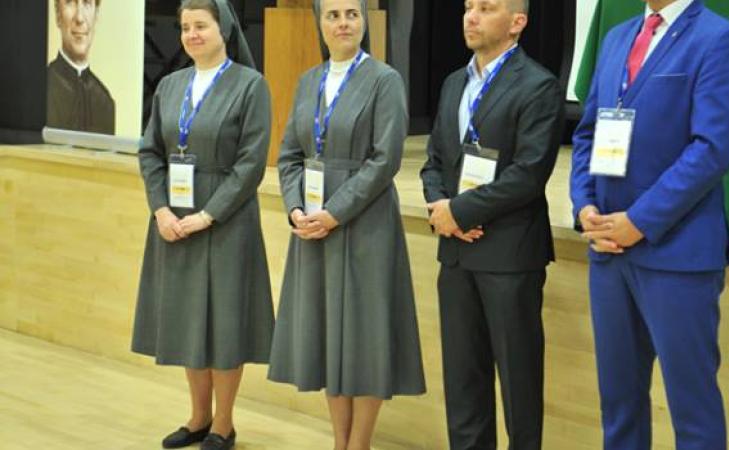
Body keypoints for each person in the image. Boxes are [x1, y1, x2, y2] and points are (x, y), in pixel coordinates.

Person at [570, 0, 729, 448]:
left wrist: (640, 221)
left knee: (692, 410)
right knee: (619, 405)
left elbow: (711, 150)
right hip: (608, 252)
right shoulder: (617, 38)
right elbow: (587, 132)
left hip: (677, 254)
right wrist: (584, 204)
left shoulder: (719, 39)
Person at [268, 0, 426, 449]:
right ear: (319, 23)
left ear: (364, 21)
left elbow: (385, 159)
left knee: (365, 337)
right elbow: (289, 155)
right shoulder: (308, 81)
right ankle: (341, 442)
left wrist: (335, 212)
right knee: (328, 335)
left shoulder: (384, 80)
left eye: (351, 14)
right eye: (333, 15)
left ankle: (360, 444)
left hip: (364, 222)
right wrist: (296, 208)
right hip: (312, 224)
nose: (343, 23)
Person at [131, 1, 274, 449]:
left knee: (224, 322)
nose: (192, 34)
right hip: (175, 217)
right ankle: (197, 417)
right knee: (189, 318)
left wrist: (208, 214)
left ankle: (223, 424)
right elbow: (150, 152)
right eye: (185, 27)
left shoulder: (251, 85)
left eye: (201, 26)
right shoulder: (170, 85)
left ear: (223, 29)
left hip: (226, 220)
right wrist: (161, 210)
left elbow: (251, 163)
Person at [419, 0, 562, 448]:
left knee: (519, 383)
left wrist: (460, 212)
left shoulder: (538, 85)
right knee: (463, 382)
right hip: (456, 253)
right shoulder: (453, 83)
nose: (471, 16)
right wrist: (440, 207)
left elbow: (528, 174)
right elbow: (434, 160)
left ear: (517, 22)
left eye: (486, 7)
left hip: (509, 255)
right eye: (468, 7)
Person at [47, 0, 115, 134]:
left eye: (87, 3)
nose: (79, 18)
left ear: (96, 15)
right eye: (70, 2)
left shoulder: (105, 102)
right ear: (58, 15)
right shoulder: (40, 89)